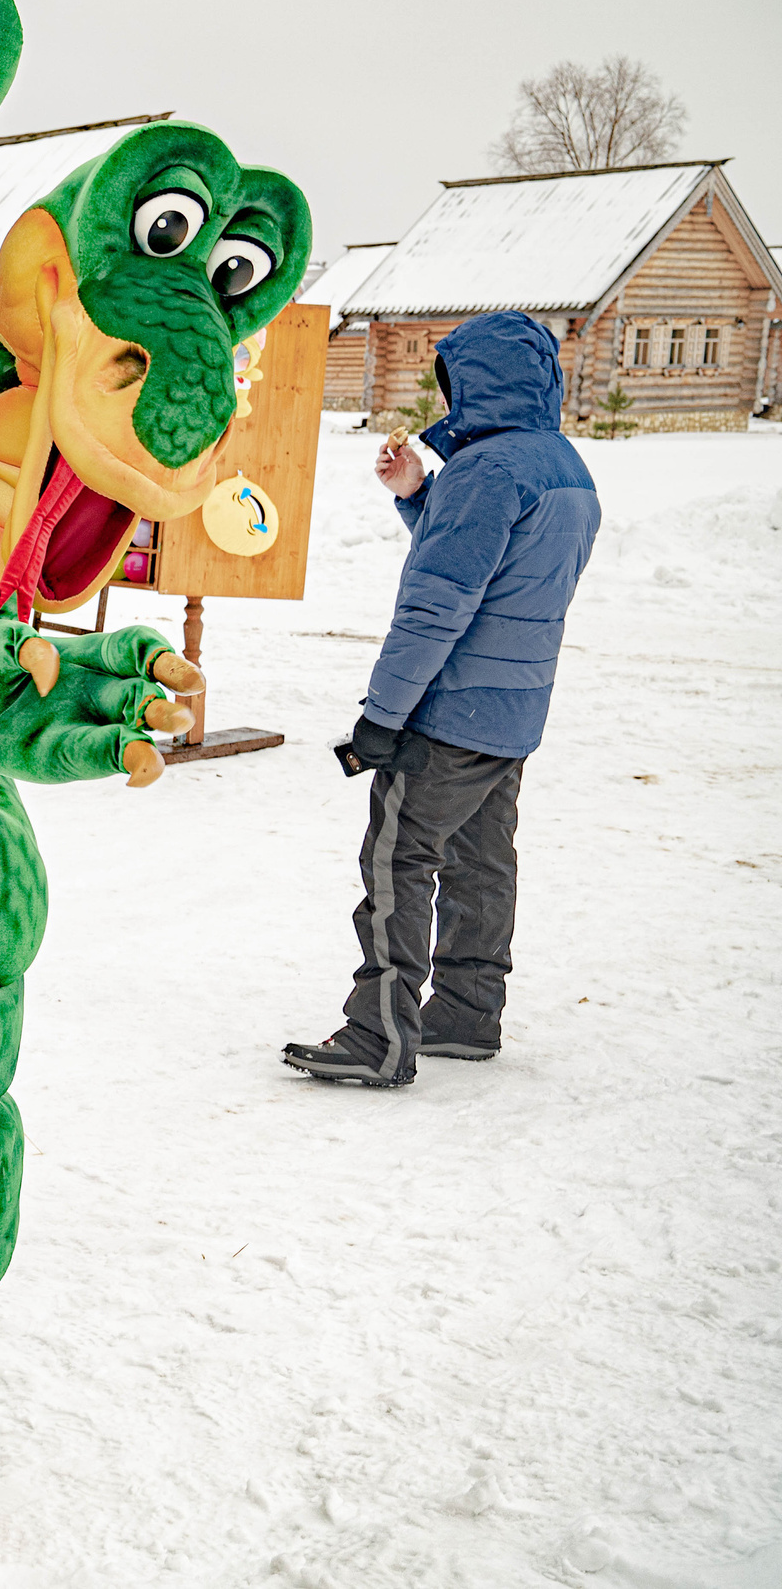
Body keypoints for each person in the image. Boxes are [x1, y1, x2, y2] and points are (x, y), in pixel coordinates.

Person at [286, 311, 601, 1088]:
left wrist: (381, 718)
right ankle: (466, 1010)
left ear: (478, 383)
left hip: (450, 710)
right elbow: (496, 562)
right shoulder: (562, 467)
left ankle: (379, 1034)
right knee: (482, 859)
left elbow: (437, 605)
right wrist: (418, 493)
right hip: (516, 711)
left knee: (399, 853)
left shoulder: (487, 472)